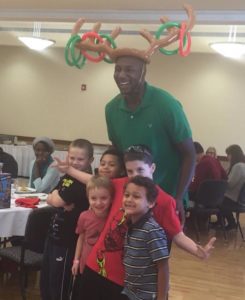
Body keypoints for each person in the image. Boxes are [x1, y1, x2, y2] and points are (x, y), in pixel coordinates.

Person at [53, 144, 215, 300]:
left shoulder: (164, 201)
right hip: (95, 267)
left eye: (140, 170)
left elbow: (177, 235)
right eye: (130, 171)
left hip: (123, 280)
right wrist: (69, 170)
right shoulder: (120, 185)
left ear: (152, 168)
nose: (135, 175)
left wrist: (197, 252)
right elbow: (94, 180)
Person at [105, 55, 195, 223]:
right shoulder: (111, 109)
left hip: (165, 196)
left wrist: (179, 198)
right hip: (131, 199)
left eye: (129, 70)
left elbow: (189, 154)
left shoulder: (166, 104)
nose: (121, 75)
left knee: (157, 247)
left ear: (143, 72)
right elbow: (118, 155)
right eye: (118, 69)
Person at [40, 139, 94, 300]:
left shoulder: (84, 183)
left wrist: (57, 199)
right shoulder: (67, 178)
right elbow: (50, 197)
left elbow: (56, 200)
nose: (75, 163)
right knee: (47, 280)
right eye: (72, 158)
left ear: (90, 161)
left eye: (80, 159)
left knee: (59, 284)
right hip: (53, 237)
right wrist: (56, 198)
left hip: (67, 241)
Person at [122, 176, 169, 300]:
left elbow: (163, 267)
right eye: (126, 195)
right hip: (131, 291)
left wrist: (162, 298)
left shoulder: (152, 230)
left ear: (151, 203)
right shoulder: (130, 223)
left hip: (148, 295)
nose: (129, 200)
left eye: (136, 196)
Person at [72, 175, 114, 277]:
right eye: (93, 198)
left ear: (111, 198)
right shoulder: (84, 216)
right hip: (86, 265)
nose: (98, 203)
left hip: (106, 268)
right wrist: (76, 260)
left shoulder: (114, 218)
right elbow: (81, 238)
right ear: (88, 198)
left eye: (103, 198)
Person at [221, 145, 245, 230]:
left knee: (216, 200)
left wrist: (221, 182)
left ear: (233, 154)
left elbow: (230, 184)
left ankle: (229, 222)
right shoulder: (242, 165)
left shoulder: (238, 166)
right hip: (239, 199)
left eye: (228, 154)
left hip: (234, 199)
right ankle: (224, 222)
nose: (227, 157)